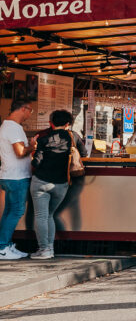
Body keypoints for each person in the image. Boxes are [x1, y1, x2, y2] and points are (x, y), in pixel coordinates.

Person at [29, 109, 85, 260]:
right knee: (49, 215)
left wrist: (32, 148)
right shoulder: (74, 137)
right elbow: (84, 154)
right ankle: (50, 249)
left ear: (51, 124)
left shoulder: (43, 140)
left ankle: (43, 249)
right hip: (61, 185)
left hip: (41, 182)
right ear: (68, 124)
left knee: (41, 216)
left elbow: (36, 163)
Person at [0, 101, 37, 260]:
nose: (30, 114)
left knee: (9, 212)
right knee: (16, 211)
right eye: (30, 110)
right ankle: (2, 247)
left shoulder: (6, 126)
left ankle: (6, 245)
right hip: (17, 177)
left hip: (9, 175)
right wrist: (32, 146)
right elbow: (20, 152)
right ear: (24, 108)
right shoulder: (13, 127)